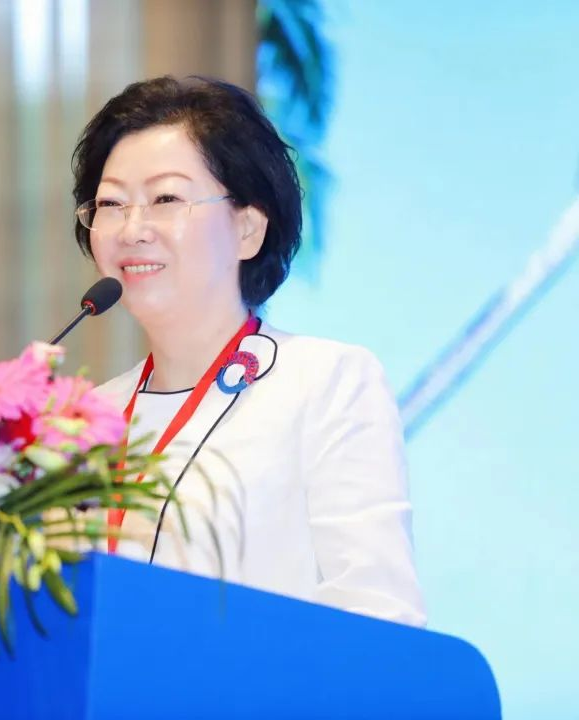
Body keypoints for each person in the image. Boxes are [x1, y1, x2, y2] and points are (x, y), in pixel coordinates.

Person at [72, 76, 426, 627]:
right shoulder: (82, 420)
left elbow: (378, 615)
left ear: (248, 229)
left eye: (166, 199)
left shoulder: (324, 382)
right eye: (111, 204)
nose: (132, 229)